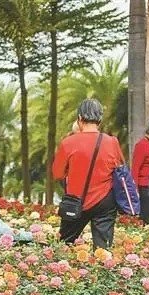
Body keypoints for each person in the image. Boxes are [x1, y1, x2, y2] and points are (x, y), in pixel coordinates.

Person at [52, 99, 125, 249]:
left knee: (63, 246)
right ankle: (103, 269)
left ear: (79, 118)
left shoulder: (68, 143)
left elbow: (57, 174)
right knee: (103, 250)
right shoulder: (112, 142)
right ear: (100, 119)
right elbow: (120, 168)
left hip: (76, 202)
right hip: (105, 202)